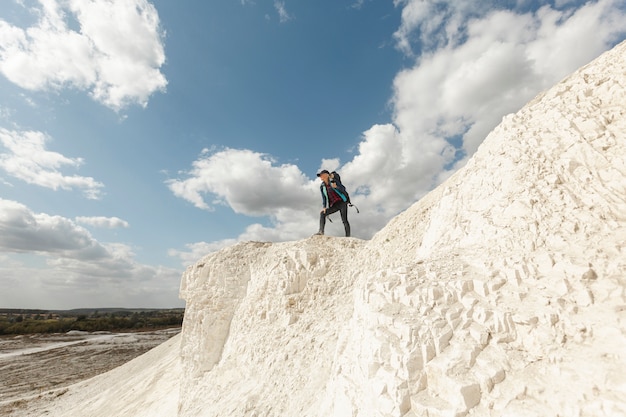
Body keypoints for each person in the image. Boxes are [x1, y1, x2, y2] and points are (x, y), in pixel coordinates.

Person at [315, 169, 350, 237]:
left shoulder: (334, 181)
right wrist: (324, 207)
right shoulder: (322, 186)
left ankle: (348, 236)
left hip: (342, 202)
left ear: (326, 175)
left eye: (321, 175)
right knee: (322, 213)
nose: (320, 177)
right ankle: (321, 231)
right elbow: (324, 197)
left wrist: (336, 187)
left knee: (344, 220)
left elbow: (343, 189)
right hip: (334, 205)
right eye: (320, 176)